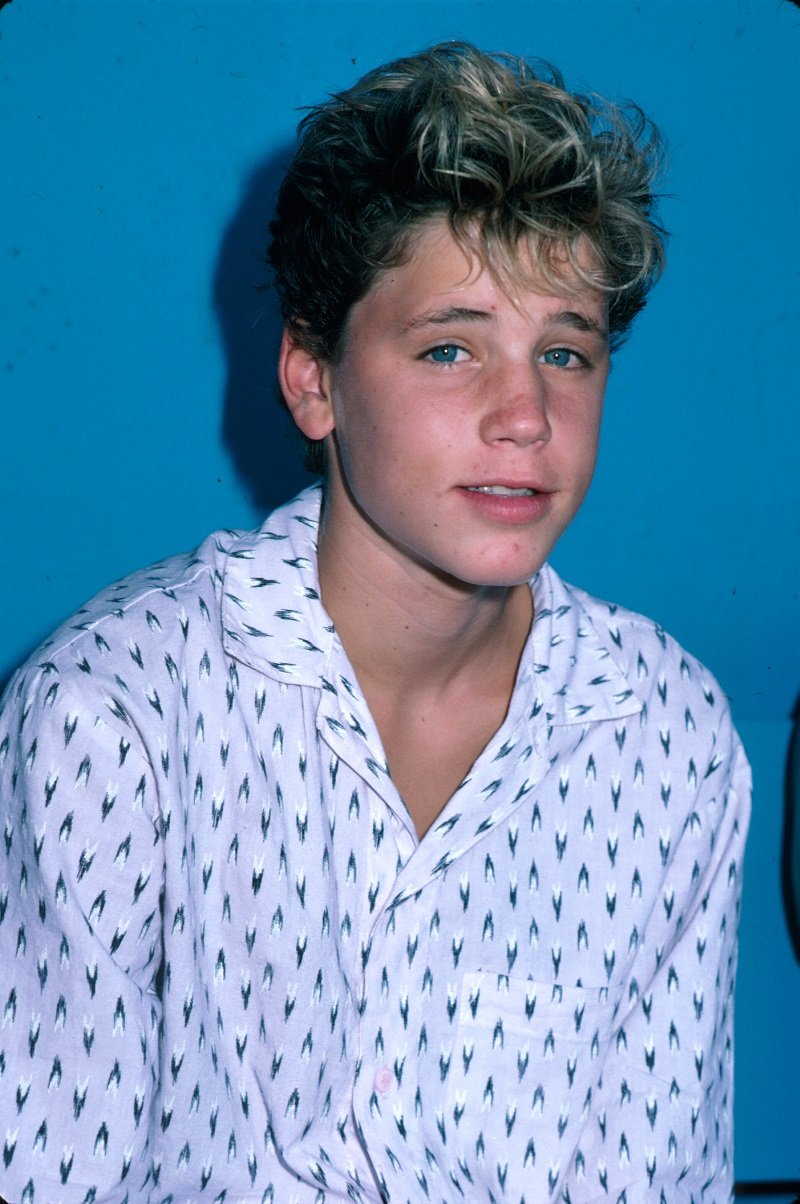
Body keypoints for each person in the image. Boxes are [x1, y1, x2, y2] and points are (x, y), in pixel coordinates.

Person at [0, 42, 750, 1204]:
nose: (524, 415)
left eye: (565, 351)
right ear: (312, 377)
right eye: (449, 348)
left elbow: (658, 1177)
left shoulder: (666, 733)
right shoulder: (114, 713)